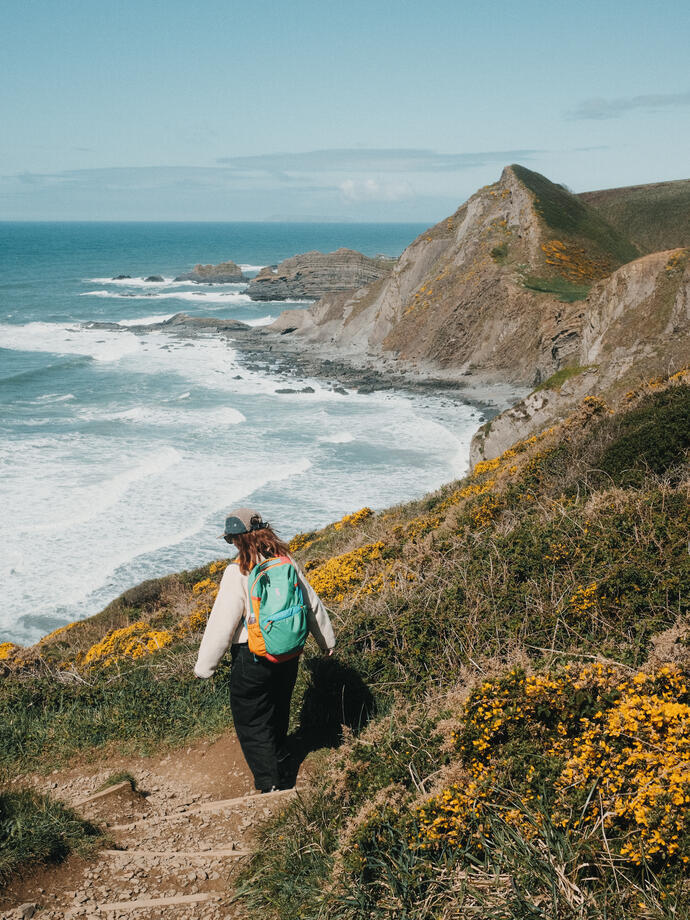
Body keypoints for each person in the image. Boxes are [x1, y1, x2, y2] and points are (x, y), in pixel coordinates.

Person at [194, 508, 335, 793]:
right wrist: (327, 642)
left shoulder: (238, 572)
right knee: (278, 706)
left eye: (231, 540)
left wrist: (205, 667)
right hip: (289, 652)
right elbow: (311, 604)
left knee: (252, 719)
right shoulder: (285, 562)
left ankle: (270, 784)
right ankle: (280, 754)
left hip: (253, 655)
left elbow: (222, 623)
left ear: (237, 539)